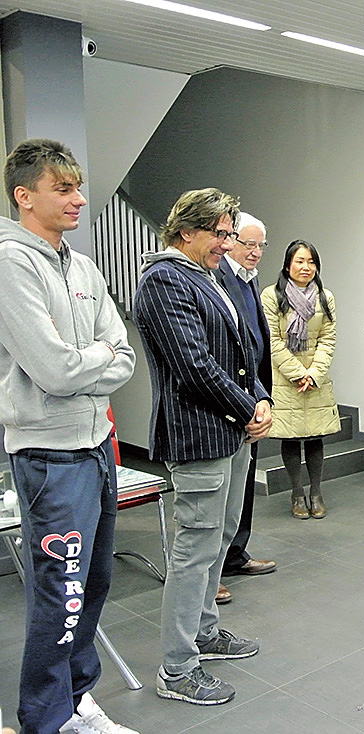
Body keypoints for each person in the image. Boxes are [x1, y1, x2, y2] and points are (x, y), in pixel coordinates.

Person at [0, 139, 138, 734]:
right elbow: (52, 370)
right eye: (63, 189)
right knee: (63, 594)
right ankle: (44, 721)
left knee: (94, 584)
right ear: (24, 196)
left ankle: (77, 701)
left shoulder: (83, 267)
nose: (79, 198)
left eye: (78, 187)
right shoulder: (11, 263)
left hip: (95, 446)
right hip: (50, 455)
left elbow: (125, 356)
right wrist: (96, 357)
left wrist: (92, 358)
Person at [133, 188, 271, 706]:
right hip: (198, 436)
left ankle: (204, 632)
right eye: (220, 234)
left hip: (230, 432)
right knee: (193, 550)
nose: (227, 244)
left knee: (220, 538)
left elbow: (244, 351)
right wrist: (247, 408)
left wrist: (259, 398)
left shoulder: (206, 277)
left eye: (230, 234)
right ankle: (177, 667)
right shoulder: (163, 280)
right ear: (186, 231)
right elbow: (193, 367)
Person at [213, 212, 277, 604]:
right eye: (247, 244)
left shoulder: (249, 280)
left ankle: (236, 554)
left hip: (253, 395)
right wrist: (247, 402)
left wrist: (263, 399)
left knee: (243, 484)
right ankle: (213, 570)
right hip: (230, 399)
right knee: (220, 493)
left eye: (260, 245)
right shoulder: (218, 276)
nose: (254, 252)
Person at [262, 239, 340, 519]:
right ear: (287, 265)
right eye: (300, 261)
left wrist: (314, 374)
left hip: (316, 378)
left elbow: (328, 339)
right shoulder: (271, 296)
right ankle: (297, 493)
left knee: (315, 436)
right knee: (291, 437)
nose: (306, 267)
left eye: (311, 262)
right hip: (285, 378)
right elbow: (271, 340)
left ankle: (316, 493)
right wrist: (297, 373)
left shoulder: (325, 297)